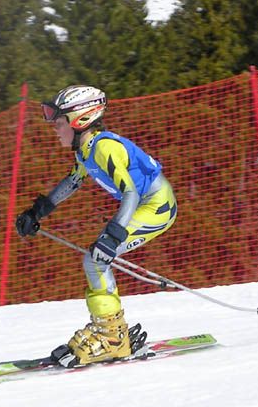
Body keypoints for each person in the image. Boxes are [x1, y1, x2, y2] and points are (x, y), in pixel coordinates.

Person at [15, 85, 177, 366]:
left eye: (59, 121)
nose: (54, 127)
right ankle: (109, 331)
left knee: (95, 260)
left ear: (80, 120)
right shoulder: (85, 150)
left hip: (157, 207)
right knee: (95, 259)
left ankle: (112, 337)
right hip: (141, 205)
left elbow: (131, 192)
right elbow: (73, 182)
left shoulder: (103, 147)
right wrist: (37, 212)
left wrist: (113, 236)